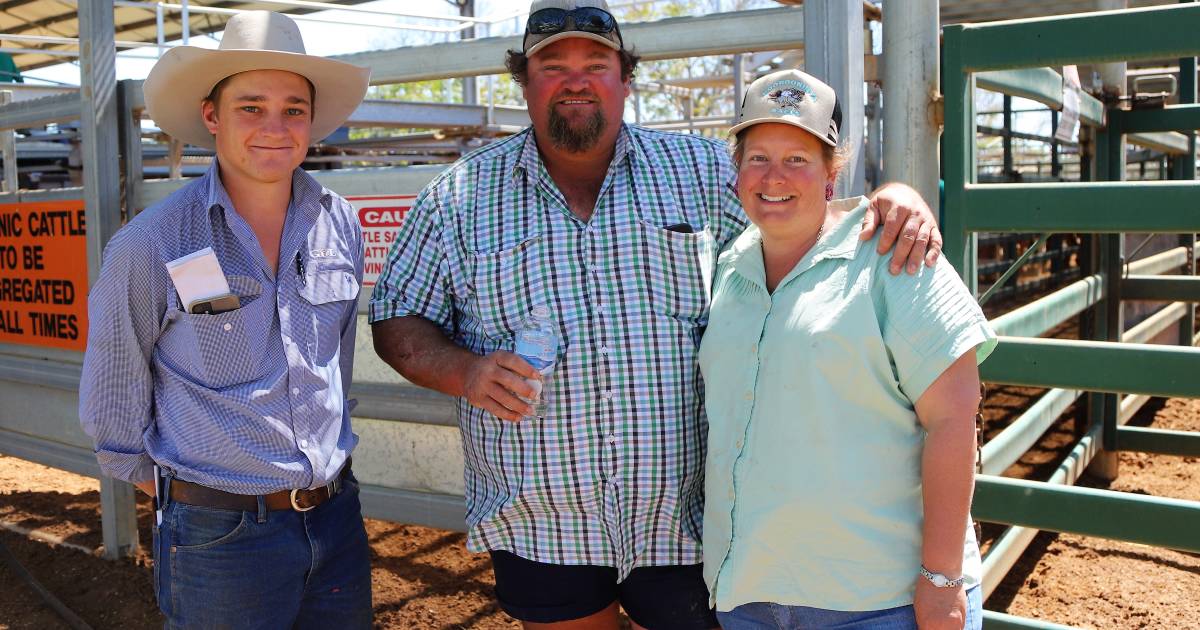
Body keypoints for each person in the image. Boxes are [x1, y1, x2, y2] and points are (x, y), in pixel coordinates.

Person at [370, 1, 941, 627]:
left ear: (625, 77)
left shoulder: (699, 174)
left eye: (596, 63)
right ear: (524, 81)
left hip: (691, 518)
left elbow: (796, 219)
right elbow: (397, 319)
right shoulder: (457, 199)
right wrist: (465, 373)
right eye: (552, 65)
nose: (576, 80)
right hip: (541, 521)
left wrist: (891, 197)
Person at [78, 11, 372, 628]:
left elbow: (334, 361)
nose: (275, 126)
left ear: (311, 122)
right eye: (250, 106)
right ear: (212, 116)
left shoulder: (337, 223)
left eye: (294, 109)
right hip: (220, 534)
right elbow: (114, 392)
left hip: (335, 518)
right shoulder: (155, 242)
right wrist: (188, 499)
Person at [699, 68, 996, 630]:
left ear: (831, 177)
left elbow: (955, 417)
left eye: (798, 159)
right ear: (736, 171)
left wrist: (941, 580)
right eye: (758, 156)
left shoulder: (892, 255)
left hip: (878, 602)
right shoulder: (727, 267)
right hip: (750, 595)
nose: (774, 176)